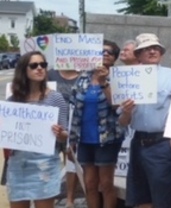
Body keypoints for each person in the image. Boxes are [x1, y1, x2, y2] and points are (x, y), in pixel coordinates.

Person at [119, 33, 171, 208]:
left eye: (156, 48)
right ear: (138, 54)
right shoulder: (126, 78)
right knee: (140, 196)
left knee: (163, 197)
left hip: (162, 144)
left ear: (161, 52)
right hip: (137, 142)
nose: (152, 51)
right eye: (147, 48)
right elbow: (123, 121)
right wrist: (126, 111)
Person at [6, 51, 69, 208]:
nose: (40, 68)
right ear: (23, 70)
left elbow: (65, 135)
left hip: (45, 164)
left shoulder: (56, 98)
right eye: (34, 65)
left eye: (43, 65)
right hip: (18, 164)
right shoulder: (13, 101)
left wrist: (60, 133)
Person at [69, 40, 124, 208]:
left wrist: (104, 83)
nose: (105, 54)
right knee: (90, 183)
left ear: (114, 58)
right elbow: (74, 108)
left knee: (106, 184)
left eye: (110, 52)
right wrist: (71, 139)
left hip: (106, 139)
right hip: (84, 138)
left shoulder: (118, 77)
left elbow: (117, 106)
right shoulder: (83, 77)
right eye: (102, 51)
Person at [47, 68, 80, 208]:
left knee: (71, 164)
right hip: (50, 127)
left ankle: (69, 198)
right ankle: (48, 195)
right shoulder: (50, 74)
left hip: (74, 124)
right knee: (48, 163)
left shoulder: (84, 74)